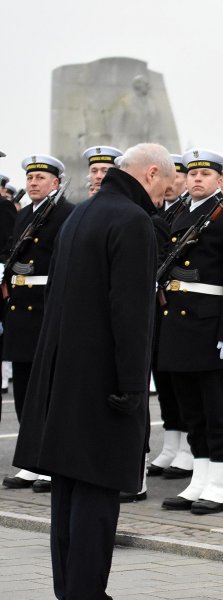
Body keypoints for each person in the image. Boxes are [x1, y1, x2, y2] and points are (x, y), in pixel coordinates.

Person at [13, 143, 173, 599]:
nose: (168, 191)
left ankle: (71, 589)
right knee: (97, 500)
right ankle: (87, 592)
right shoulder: (133, 221)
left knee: (67, 493)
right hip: (104, 383)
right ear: (151, 172)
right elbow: (130, 314)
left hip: (66, 378)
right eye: (166, 182)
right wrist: (131, 387)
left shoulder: (81, 214)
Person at [157, 149, 223, 515]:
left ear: (219, 179)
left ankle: (218, 482)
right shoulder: (180, 215)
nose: (197, 179)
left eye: (205, 174)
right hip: (179, 325)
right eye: (192, 173)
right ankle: (198, 478)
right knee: (191, 410)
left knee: (215, 408)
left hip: (210, 324)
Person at [1, 155, 74, 493]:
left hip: (45, 307)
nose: (33, 183)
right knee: (24, 390)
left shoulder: (64, 213)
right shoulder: (25, 215)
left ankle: (50, 462)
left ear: (56, 183)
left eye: (41, 178)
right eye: (30, 178)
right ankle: (30, 460)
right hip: (20, 311)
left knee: (48, 389)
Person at [147, 153, 194, 481]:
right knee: (164, 380)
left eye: (180, 174)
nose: (175, 180)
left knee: (183, 382)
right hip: (154, 306)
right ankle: (173, 443)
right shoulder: (153, 211)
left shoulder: (187, 214)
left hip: (178, 305)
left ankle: (188, 447)